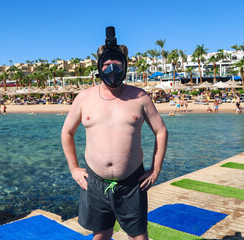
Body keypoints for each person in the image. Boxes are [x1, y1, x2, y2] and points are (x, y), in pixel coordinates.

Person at [61, 27, 168, 240]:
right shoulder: (84, 98)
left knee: (138, 236)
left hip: (132, 182)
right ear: (99, 67)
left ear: (125, 65)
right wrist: (73, 168)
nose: (112, 69)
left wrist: (156, 170)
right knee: (101, 235)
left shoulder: (139, 97)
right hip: (95, 182)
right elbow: (67, 132)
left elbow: (161, 131)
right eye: (107, 64)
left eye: (117, 64)